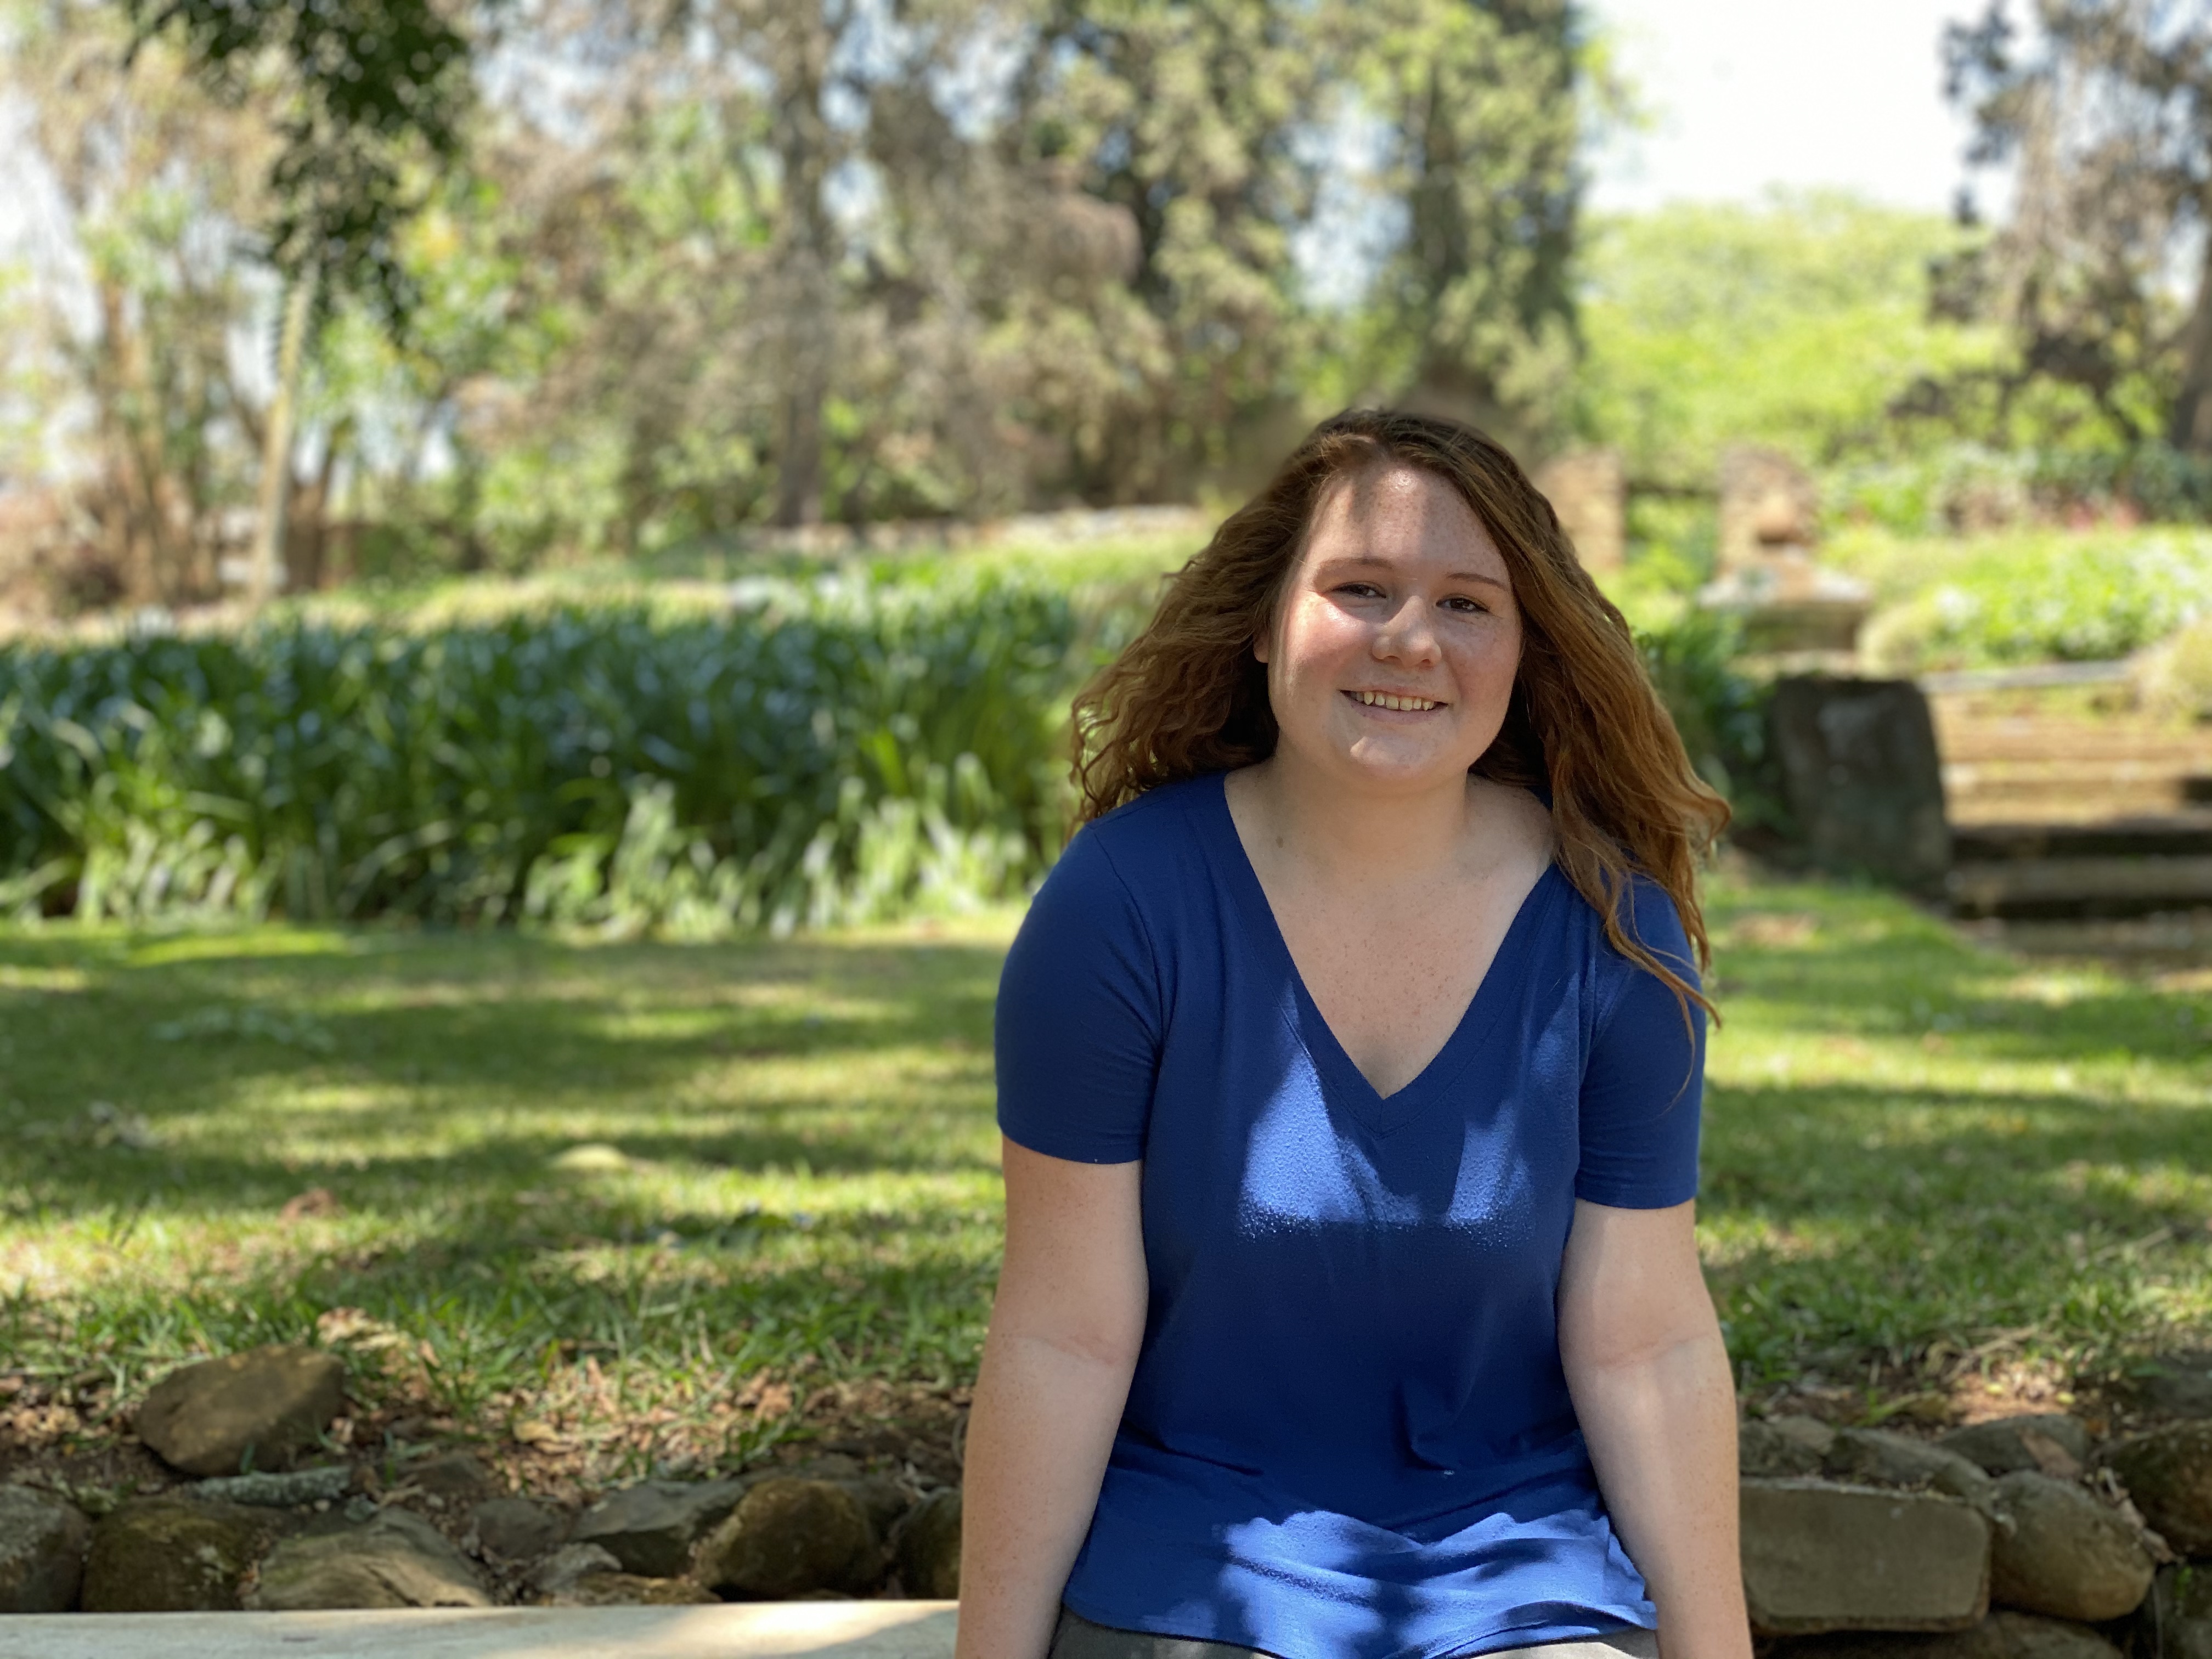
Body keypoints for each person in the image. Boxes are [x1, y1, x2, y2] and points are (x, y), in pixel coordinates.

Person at [957, 410, 1749, 1659]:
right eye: (1360, 588)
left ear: (1525, 652)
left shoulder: (1611, 927)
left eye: (1468, 604)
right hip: (1196, 1558)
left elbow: (1644, 1342)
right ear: (1267, 622)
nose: (1410, 639)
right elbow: (1063, 1333)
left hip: (1516, 1563)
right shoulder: (1122, 906)